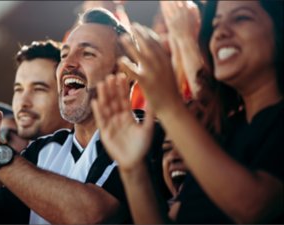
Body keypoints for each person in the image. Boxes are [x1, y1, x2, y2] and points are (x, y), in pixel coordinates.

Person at [0, 8, 135, 224]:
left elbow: (91, 216)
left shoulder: (148, 135)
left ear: (122, 74)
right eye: (64, 54)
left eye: (87, 53)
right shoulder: (41, 152)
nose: (67, 64)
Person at [92, 0, 283, 223]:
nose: (220, 33)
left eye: (241, 18)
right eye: (215, 25)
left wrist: (169, 106)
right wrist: (133, 170)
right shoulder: (220, 134)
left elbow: (255, 208)